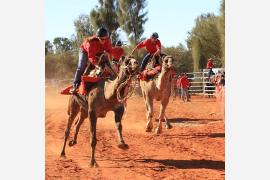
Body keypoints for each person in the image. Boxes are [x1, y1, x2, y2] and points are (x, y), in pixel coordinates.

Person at [69, 27, 113, 94]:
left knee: (107, 64)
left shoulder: (107, 41)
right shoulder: (91, 43)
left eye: (105, 39)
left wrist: (108, 55)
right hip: (85, 51)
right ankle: (75, 85)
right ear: (97, 37)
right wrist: (97, 66)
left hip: (98, 51)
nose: (103, 41)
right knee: (81, 66)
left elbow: (110, 51)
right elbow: (91, 57)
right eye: (101, 39)